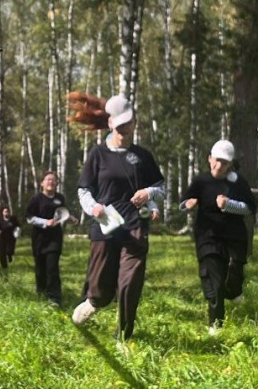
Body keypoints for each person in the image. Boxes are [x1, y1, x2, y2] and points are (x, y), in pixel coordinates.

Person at [68, 92, 164, 343]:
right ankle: (94, 301)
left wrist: (149, 195)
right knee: (101, 287)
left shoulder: (143, 156)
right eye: (119, 123)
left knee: (130, 282)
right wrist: (93, 208)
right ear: (110, 123)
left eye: (128, 122)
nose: (124, 127)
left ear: (134, 122)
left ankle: (124, 335)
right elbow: (84, 190)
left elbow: (159, 188)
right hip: (105, 227)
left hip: (135, 226)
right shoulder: (98, 154)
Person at [179, 140, 256, 335]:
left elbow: (249, 208)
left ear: (230, 164)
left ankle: (234, 291)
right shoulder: (201, 181)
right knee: (214, 280)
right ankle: (216, 325)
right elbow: (183, 202)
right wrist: (188, 204)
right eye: (216, 161)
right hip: (208, 236)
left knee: (232, 278)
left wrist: (229, 205)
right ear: (209, 159)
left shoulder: (238, 182)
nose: (219, 166)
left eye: (224, 162)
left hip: (234, 238)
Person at [25, 171, 77, 307]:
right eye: (48, 179)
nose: (51, 182)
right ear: (42, 183)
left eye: (54, 180)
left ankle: (54, 298)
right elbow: (29, 217)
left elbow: (63, 213)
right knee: (40, 268)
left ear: (57, 184)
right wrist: (44, 222)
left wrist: (71, 218)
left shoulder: (60, 198)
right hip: (39, 239)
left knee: (52, 267)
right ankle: (41, 293)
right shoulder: (36, 199)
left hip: (55, 238)